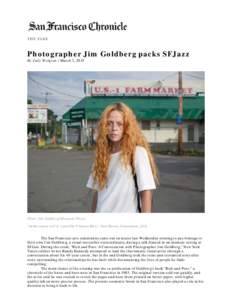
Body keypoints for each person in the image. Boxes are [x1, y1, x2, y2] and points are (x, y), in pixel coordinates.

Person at [86, 102, 159, 213]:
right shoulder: (101, 155)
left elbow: (146, 192)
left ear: (127, 127)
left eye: (119, 124)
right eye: (109, 123)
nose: (114, 128)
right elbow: (97, 193)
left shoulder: (137, 153)